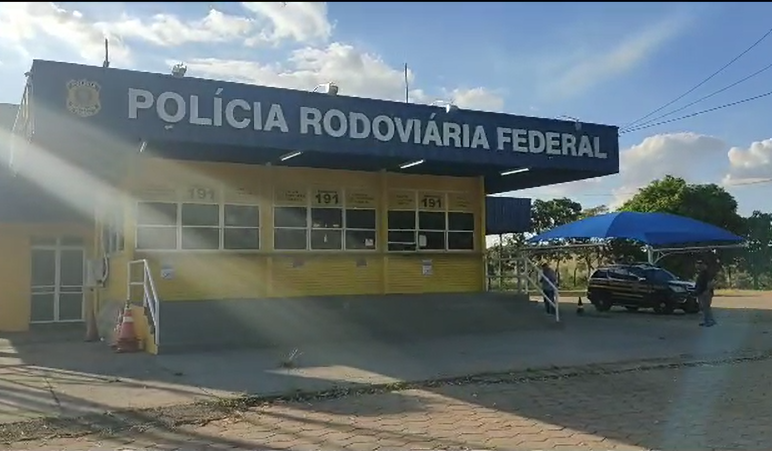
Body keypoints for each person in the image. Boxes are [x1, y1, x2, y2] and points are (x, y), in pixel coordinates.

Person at [694, 258, 717, 327]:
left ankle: (710, 321)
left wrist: (707, 291)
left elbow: (711, 283)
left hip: (706, 292)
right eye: (698, 264)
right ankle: (707, 320)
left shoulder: (707, 273)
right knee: (703, 307)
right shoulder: (701, 273)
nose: (698, 265)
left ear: (704, 265)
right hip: (701, 292)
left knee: (706, 307)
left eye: (700, 264)